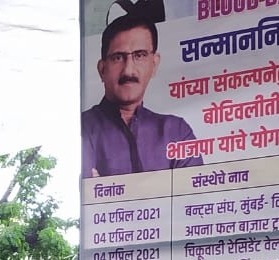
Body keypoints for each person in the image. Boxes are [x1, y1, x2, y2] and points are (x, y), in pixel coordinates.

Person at [81, 14, 201, 178]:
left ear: (154, 64)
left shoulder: (177, 133)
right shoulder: (80, 128)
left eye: (140, 55)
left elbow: (191, 197)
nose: (128, 70)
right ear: (102, 69)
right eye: (118, 58)